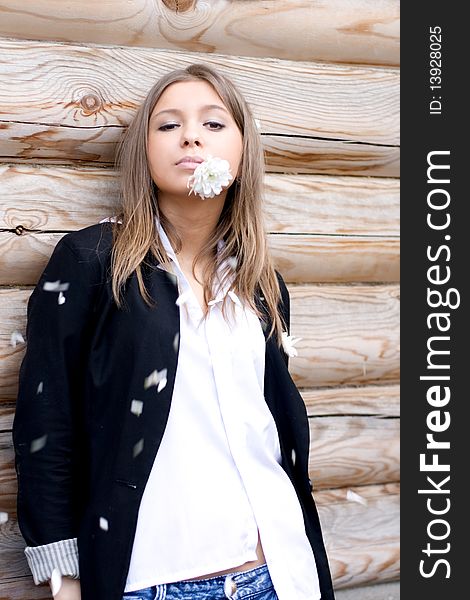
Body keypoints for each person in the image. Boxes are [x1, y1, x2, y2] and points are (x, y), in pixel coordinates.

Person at [12, 63, 335, 600]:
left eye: (213, 124)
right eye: (167, 125)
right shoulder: (93, 260)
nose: (190, 135)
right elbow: (47, 421)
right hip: (155, 582)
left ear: (242, 149)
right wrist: (62, 572)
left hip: (279, 573)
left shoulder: (262, 286)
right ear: (143, 151)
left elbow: (267, 432)